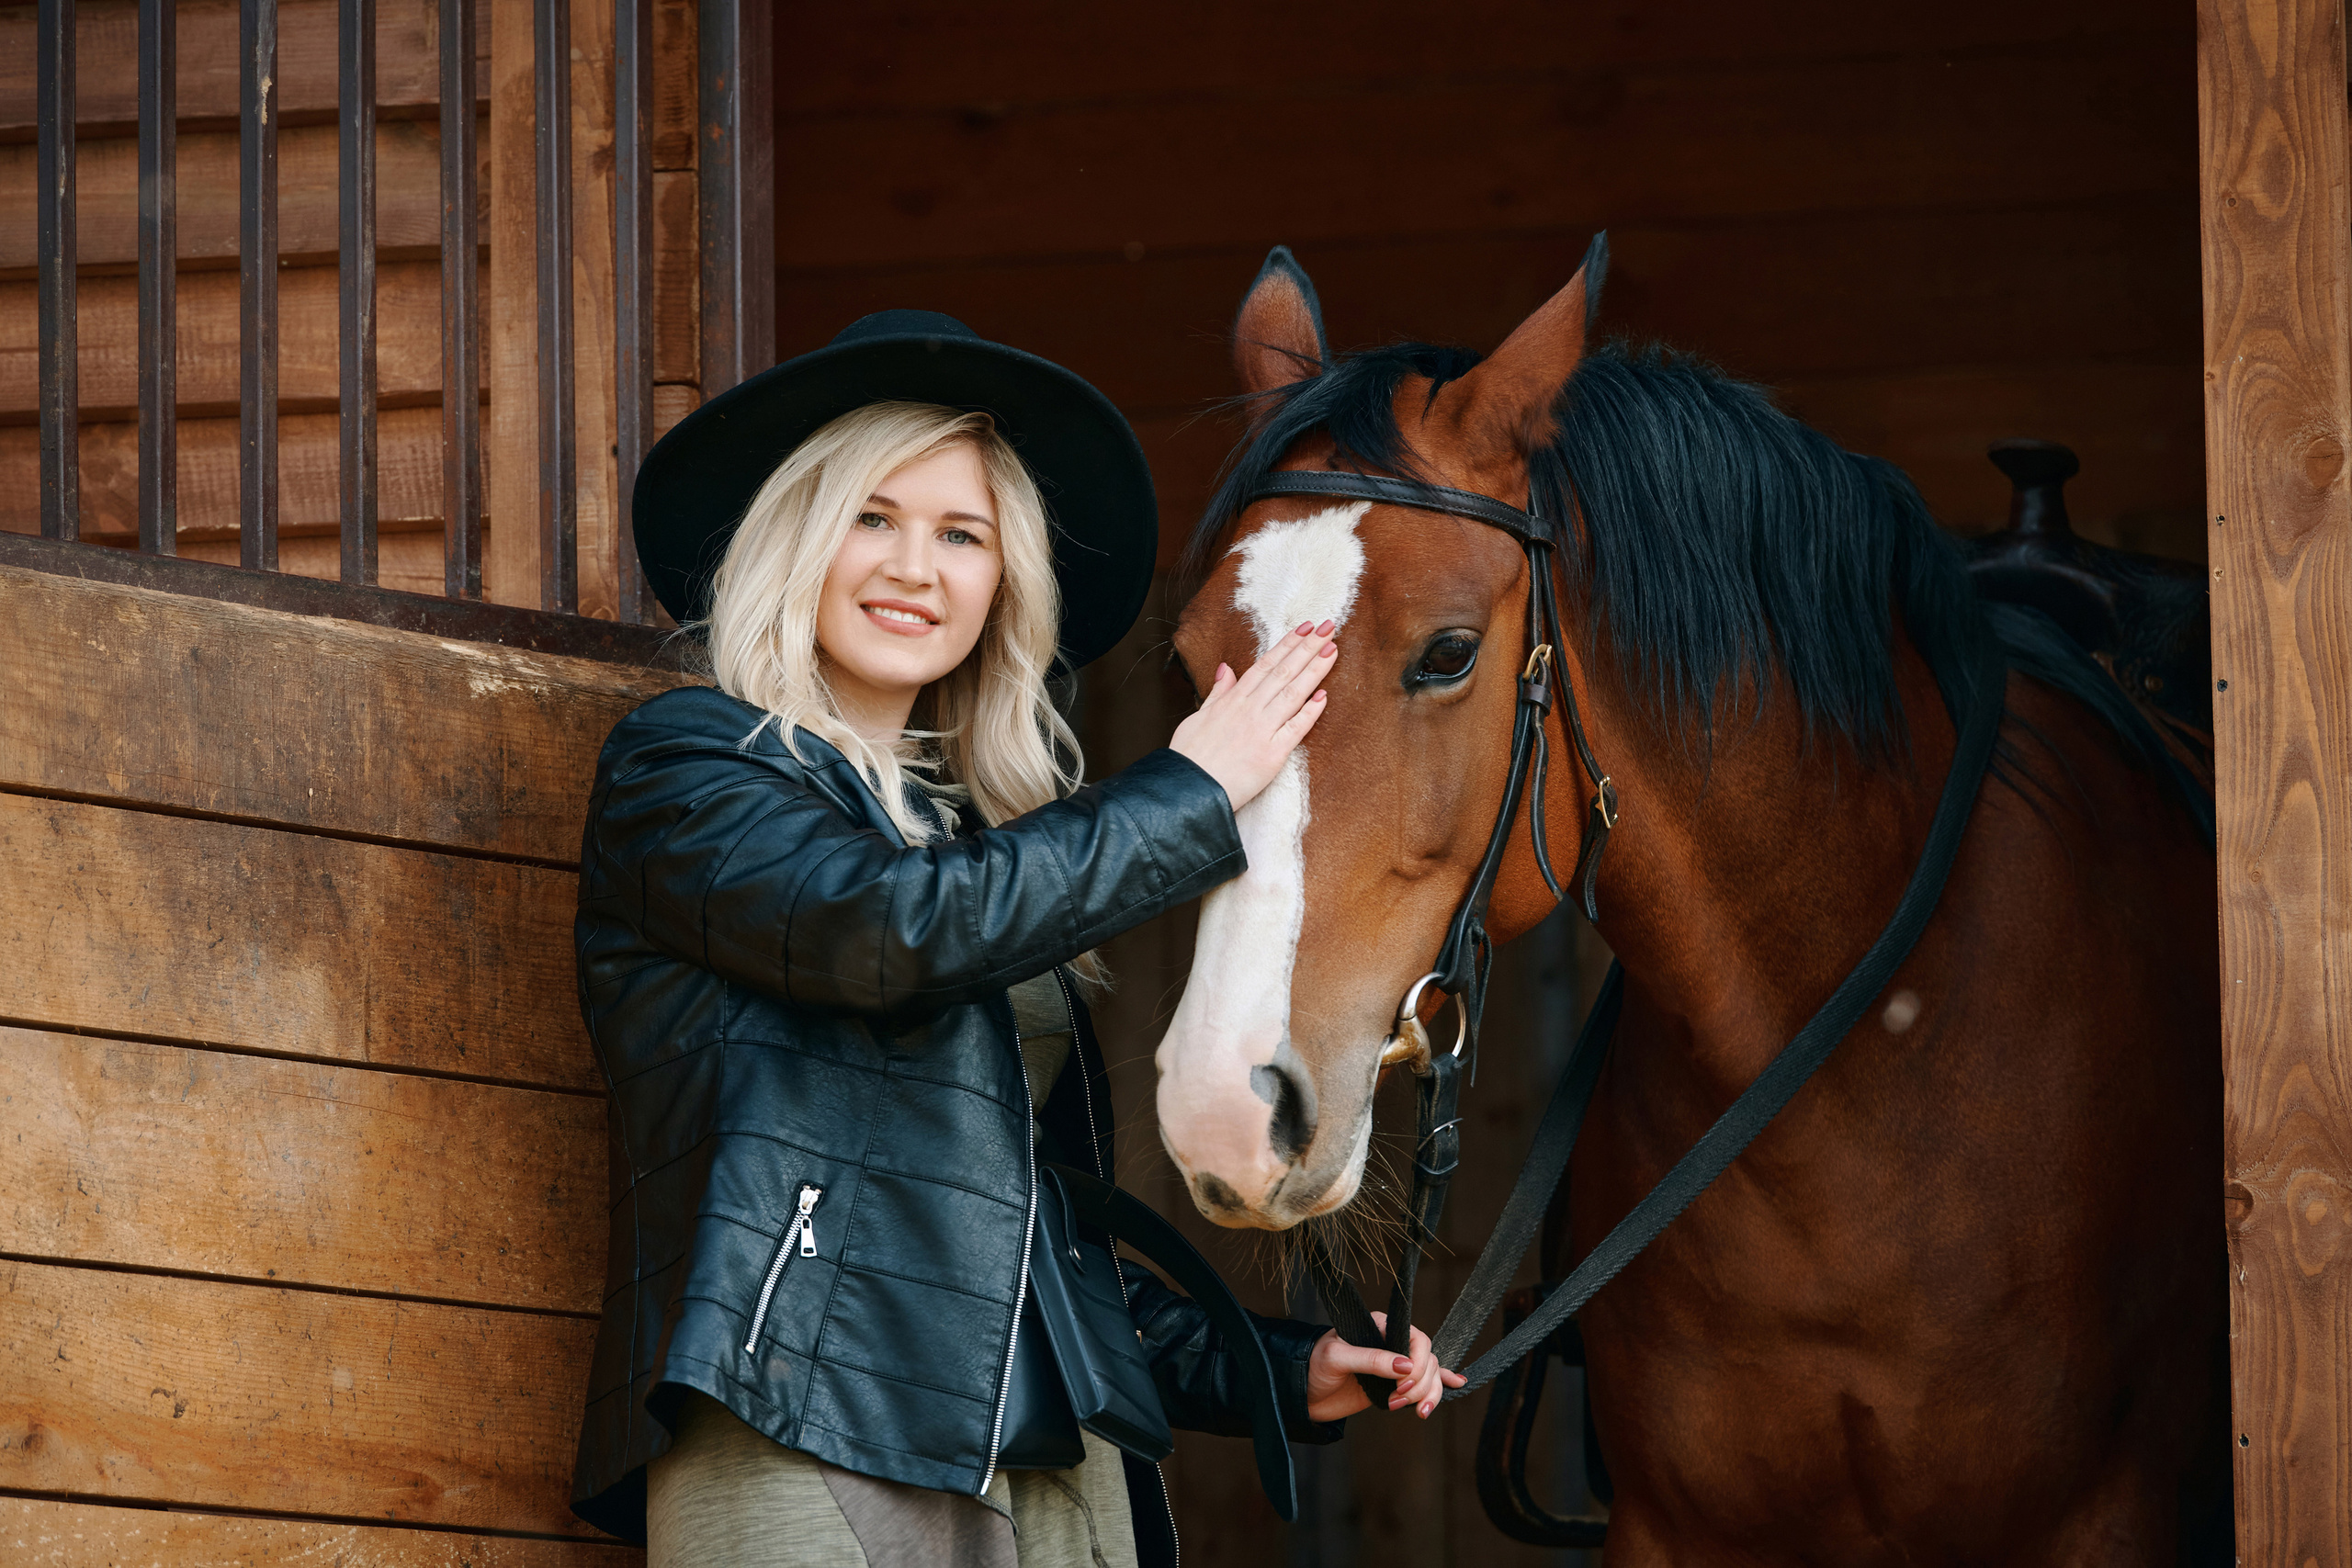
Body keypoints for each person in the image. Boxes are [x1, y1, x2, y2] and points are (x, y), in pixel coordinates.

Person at [567, 311, 1461, 1568]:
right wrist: (1192, 791)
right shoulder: (685, 770)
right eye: (872, 517)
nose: (914, 568)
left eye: (962, 535)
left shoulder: (982, 841)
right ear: (796, 539)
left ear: (1002, 585)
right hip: (803, 1410)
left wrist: (1269, 1367)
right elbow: (887, 931)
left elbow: (1021, 1224)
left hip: (1050, 1459)